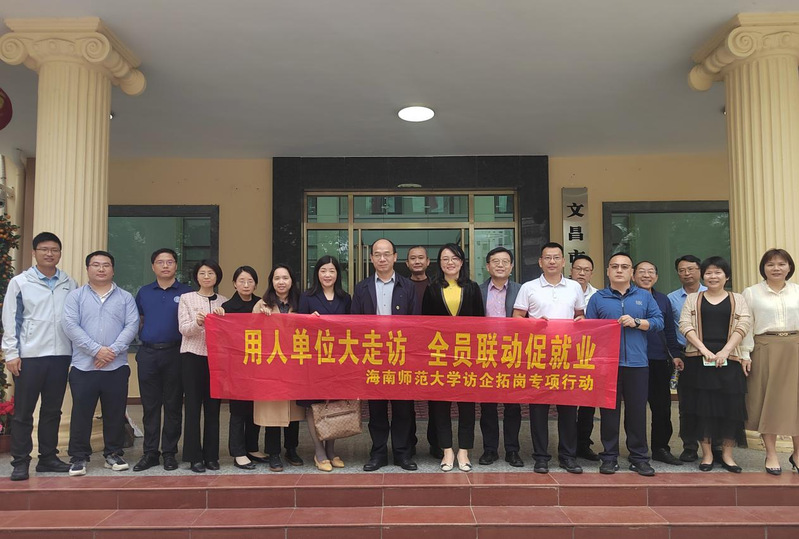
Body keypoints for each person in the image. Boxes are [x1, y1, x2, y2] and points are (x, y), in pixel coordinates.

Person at [3, 232, 77, 481]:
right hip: (30, 356)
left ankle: (47, 458)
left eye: (54, 249)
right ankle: (20, 461)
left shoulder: (69, 283)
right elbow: (10, 319)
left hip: (60, 355)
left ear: (60, 253)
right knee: (24, 412)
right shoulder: (20, 282)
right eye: (44, 249)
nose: (49, 253)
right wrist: (11, 353)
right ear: (34, 252)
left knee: (52, 410)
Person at [586, 252, 663, 476]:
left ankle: (639, 457)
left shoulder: (644, 297)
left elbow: (658, 322)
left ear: (632, 272)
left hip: (637, 364)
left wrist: (637, 322)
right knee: (609, 412)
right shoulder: (598, 298)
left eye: (624, 267)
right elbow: (590, 331)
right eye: (615, 266)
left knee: (637, 412)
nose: (619, 270)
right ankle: (609, 456)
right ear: (608, 271)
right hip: (607, 364)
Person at [62, 251, 138, 476]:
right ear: (88, 269)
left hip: (116, 366)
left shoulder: (125, 297)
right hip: (83, 366)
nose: (101, 269)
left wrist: (112, 351)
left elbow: (132, 325)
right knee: (81, 413)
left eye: (106, 265)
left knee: (114, 412)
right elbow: (70, 325)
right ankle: (78, 457)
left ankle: (113, 453)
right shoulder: (75, 296)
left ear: (113, 269)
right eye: (96, 265)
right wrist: (96, 350)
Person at [513, 242, 585, 474]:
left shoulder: (574, 287)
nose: (552, 261)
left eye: (556, 257)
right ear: (540, 262)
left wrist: (581, 322)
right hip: (538, 357)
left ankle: (568, 456)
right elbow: (517, 317)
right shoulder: (529, 287)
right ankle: (541, 457)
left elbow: (580, 315)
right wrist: (533, 323)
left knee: (568, 409)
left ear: (563, 261)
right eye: (547, 257)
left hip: (567, 357)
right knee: (538, 409)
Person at [678, 256, 750, 473]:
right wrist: (704, 350)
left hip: (730, 360)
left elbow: (744, 324)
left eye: (718, 272)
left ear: (726, 276)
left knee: (731, 409)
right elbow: (685, 324)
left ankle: (727, 455)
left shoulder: (738, 298)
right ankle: (707, 455)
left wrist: (725, 351)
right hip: (699, 360)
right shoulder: (694, 299)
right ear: (703, 276)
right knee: (703, 409)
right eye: (708, 273)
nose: (713, 276)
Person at [353, 239, 418, 471]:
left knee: (402, 408)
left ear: (395, 257)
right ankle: (378, 454)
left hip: (400, 355)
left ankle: (402, 454)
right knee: (377, 409)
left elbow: (416, 323)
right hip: (373, 356)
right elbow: (354, 324)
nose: (382, 258)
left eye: (386, 254)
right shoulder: (361, 288)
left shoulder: (407, 286)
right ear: (371, 258)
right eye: (377, 254)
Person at [422, 243, 484, 472]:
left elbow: (480, 322)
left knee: (467, 405)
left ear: (462, 261)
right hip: (439, 356)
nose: (450, 263)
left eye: (455, 258)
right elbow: (425, 324)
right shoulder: (432, 288)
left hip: (466, 356)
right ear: (439, 263)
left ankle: (464, 451)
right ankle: (447, 450)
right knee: (440, 405)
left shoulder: (472, 288)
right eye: (445, 259)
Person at [132, 248, 193, 472]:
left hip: (176, 353)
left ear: (176, 265)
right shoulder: (144, 292)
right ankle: (150, 453)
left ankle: (169, 453)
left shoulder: (187, 292)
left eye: (169, 262)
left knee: (173, 405)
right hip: (148, 353)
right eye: (160, 262)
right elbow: (138, 320)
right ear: (153, 266)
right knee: (150, 406)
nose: (165, 266)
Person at [742, 248, 799, 475]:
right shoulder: (751, 293)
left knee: (796, 402)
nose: (776, 268)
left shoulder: (797, 291)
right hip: (765, 348)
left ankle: (797, 453)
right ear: (763, 268)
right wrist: (745, 354)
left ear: (789, 267)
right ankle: (771, 453)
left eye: (781, 264)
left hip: (795, 347)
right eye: (771, 264)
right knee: (768, 400)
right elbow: (746, 325)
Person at [297, 255, 352, 471]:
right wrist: (308, 321)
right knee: (315, 405)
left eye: (331, 271)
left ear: (338, 274)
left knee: (334, 403)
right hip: (313, 359)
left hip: (338, 359)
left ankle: (331, 450)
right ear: (317, 273)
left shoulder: (345, 298)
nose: (327, 275)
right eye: (323, 271)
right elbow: (297, 328)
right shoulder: (307, 297)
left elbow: (352, 328)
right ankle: (319, 451)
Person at [251, 264, 305, 470]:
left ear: (292, 281)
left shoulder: (301, 303)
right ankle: (273, 453)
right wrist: (260, 318)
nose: (281, 282)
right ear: (271, 282)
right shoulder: (261, 304)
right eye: (277, 278)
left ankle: (291, 449)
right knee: (272, 412)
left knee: (293, 412)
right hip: (270, 367)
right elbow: (251, 333)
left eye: (285, 278)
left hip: (295, 365)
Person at [178, 259, 227, 473]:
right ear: (196, 276)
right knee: (192, 407)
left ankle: (211, 456)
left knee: (213, 408)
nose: (206, 277)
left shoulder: (224, 301)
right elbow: (183, 329)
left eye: (211, 273)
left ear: (217, 277)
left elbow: (228, 333)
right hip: (192, 357)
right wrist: (198, 323)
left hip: (216, 360)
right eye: (202, 273)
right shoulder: (187, 298)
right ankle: (193, 457)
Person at [633, 261, 683, 466]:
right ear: (633, 276)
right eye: (642, 272)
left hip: (659, 359)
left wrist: (675, 354)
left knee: (661, 407)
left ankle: (661, 448)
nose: (646, 275)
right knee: (635, 409)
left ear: (656, 277)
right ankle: (636, 449)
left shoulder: (663, 299)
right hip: (633, 361)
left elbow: (669, 330)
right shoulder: (627, 298)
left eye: (651, 272)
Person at [478, 246, 523, 467]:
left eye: (505, 261)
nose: (500, 265)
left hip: (513, 354)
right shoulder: (477, 291)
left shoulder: (522, 290)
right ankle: (490, 450)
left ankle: (512, 450)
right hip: (485, 354)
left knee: (513, 405)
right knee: (487, 405)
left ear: (511, 266)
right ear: (488, 266)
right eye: (495, 261)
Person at [218, 266, 262, 471]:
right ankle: (238, 452)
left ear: (255, 284)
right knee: (238, 410)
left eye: (250, 281)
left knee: (255, 408)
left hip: (258, 364)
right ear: (234, 284)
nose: (246, 285)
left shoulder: (261, 304)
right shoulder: (226, 307)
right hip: (236, 365)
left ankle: (252, 447)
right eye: (242, 281)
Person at [667, 254, 707, 463]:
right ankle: (689, 446)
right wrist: (674, 354)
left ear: (700, 271)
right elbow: (669, 330)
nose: (686, 273)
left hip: (712, 355)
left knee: (712, 401)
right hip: (685, 355)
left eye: (691, 269)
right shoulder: (671, 298)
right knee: (687, 403)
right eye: (682, 270)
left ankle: (715, 446)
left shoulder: (712, 293)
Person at [405, 245, 440, 459]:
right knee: (406, 400)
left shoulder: (437, 287)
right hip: (407, 351)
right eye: (413, 258)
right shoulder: (401, 286)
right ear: (407, 263)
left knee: (435, 399)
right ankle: (408, 444)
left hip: (433, 351)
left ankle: (436, 443)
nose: (417, 261)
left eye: (421, 258)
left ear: (428, 262)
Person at [570, 254, 599, 461]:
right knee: (568, 401)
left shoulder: (599, 296)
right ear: (570, 270)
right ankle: (568, 444)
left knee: (588, 402)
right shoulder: (563, 291)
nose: (581, 273)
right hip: (565, 353)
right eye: (578, 269)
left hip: (591, 354)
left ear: (591, 273)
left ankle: (583, 443)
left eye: (586, 270)